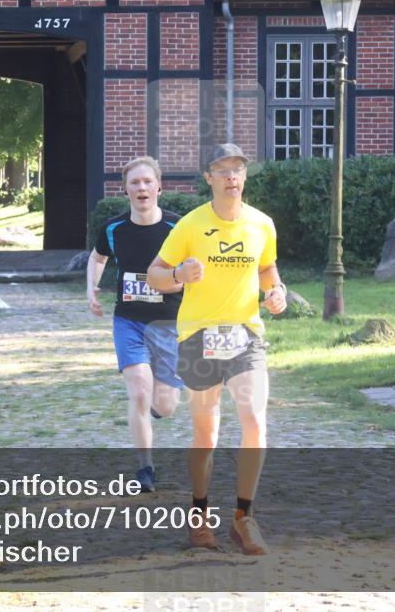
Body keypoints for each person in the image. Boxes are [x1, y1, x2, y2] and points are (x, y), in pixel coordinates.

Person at [148, 143, 287, 556]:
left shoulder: (262, 224)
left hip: (246, 336)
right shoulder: (190, 225)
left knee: (255, 420)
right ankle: (200, 512)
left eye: (237, 169)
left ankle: (244, 519)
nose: (231, 176)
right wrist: (178, 273)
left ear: (244, 176)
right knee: (206, 432)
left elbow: (266, 268)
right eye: (222, 170)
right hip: (198, 338)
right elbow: (155, 275)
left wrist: (275, 291)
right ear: (208, 177)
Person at [87, 156, 183, 493]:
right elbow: (98, 257)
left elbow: (197, 268)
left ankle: (145, 418)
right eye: (134, 183)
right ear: (125, 189)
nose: (141, 188)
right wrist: (91, 288)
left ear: (159, 186)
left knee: (166, 404)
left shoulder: (177, 227)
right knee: (140, 392)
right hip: (128, 321)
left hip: (168, 323)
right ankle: (145, 467)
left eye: (147, 182)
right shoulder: (114, 228)